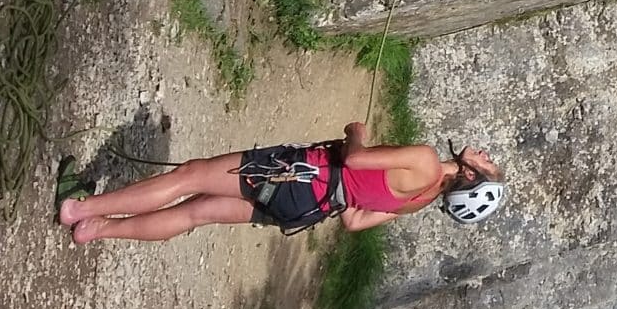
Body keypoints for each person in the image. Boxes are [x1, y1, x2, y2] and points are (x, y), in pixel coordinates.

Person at [56, 124, 505, 243]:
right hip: (303, 209)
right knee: (194, 214)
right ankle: (97, 231)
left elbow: (356, 158)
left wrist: (355, 132)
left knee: (188, 177)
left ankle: (80, 208)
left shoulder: (425, 161)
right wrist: (352, 189)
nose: (484, 153)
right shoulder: (418, 203)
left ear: (469, 176)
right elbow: (353, 221)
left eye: (487, 163)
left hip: (298, 176)